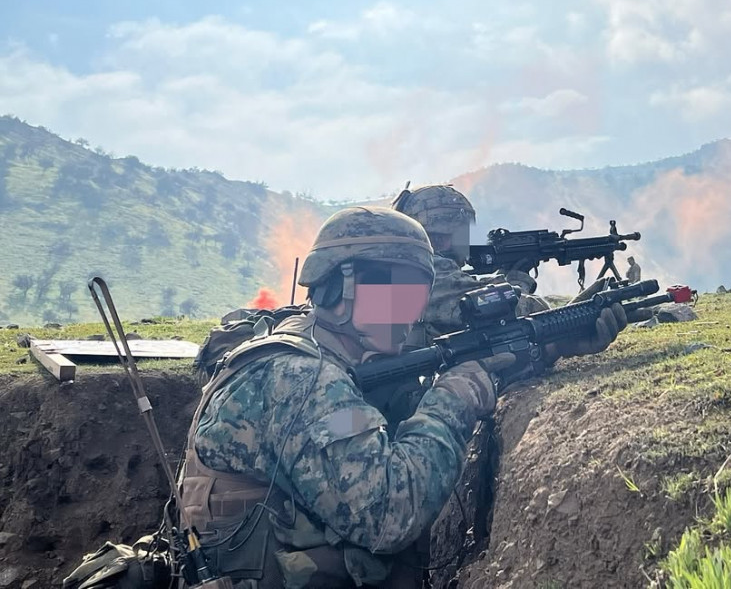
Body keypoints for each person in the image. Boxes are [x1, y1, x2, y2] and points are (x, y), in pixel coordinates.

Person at [177, 205, 626, 588]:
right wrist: (454, 399)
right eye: (399, 292)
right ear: (342, 286)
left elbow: (356, 427)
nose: (411, 312)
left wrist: (551, 345)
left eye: (419, 294)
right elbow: (389, 515)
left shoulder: (318, 350)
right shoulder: (299, 378)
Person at [393, 184, 604, 360]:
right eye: (462, 233)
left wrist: (507, 280)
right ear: (440, 236)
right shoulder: (424, 270)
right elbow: (524, 310)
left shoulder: (394, 266)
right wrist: (518, 284)